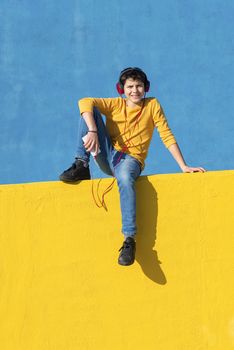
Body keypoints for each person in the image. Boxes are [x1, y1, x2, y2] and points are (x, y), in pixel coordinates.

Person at [59, 67, 205, 266]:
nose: (134, 90)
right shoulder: (116, 104)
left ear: (146, 87)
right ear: (122, 89)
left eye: (138, 86)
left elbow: (166, 135)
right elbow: (84, 101)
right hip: (108, 154)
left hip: (130, 160)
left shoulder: (152, 105)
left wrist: (184, 166)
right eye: (130, 86)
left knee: (126, 179)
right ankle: (81, 164)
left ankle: (129, 239)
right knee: (88, 111)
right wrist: (93, 129)